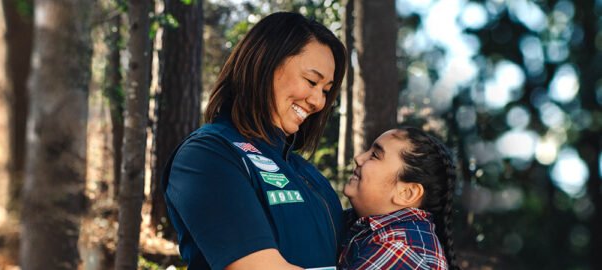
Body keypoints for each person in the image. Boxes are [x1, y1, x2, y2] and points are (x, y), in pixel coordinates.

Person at [161, 12, 346, 270]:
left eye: (326, 90)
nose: (318, 101)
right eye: (311, 81)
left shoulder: (306, 173)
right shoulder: (207, 154)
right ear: (265, 63)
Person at [338, 127, 460, 270]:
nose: (358, 158)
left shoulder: (400, 247)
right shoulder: (363, 225)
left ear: (407, 193)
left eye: (375, 155)